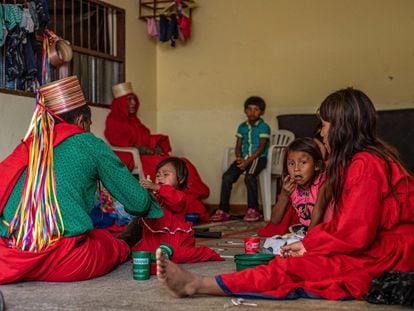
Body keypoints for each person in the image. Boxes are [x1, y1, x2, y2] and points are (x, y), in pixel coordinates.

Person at [155, 87, 414, 301]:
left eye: (324, 125)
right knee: (299, 259)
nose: (321, 133)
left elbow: (355, 235)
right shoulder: (368, 159)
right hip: (387, 247)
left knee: (294, 268)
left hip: (391, 255)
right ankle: (202, 283)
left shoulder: (365, 164)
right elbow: (347, 226)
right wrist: (309, 243)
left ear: (340, 127)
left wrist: (309, 245)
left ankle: (197, 284)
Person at [0, 76, 162, 284]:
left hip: (9, 257)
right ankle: (123, 246)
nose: (89, 130)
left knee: (96, 233)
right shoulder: (88, 143)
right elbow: (138, 202)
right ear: (80, 121)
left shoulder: (30, 145)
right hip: (64, 262)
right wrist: (150, 200)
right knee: (110, 244)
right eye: (89, 124)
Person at [104, 82, 210, 221]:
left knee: (182, 162)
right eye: (128, 100)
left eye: (134, 99)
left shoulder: (135, 120)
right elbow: (121, 142)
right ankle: (182, 199)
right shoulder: (114, 120)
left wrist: (156, 146)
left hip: (145, 155)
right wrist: (147, 150)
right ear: (120, 103)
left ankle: (189, 196)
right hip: (135, 157)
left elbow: (146, 138)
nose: (133, 103)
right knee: (165, 164)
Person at [134, 157, 223, 263]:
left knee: (178, 256)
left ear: (180, 179)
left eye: (166, 174)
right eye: (158, 175)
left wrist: (158, 188)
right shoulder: (156, 195)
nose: (160, 177)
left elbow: (175, 201)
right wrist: (145, 193)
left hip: (175, 239)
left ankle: (205, 252)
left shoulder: (180, 195)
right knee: (141, 253)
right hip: (155, 237)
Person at [258, 137, 333, 239]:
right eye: (291, 164)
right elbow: (275, 220)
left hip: (327, 230)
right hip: (306, 230)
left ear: (317, 165)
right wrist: (284, 195)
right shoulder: (291, 187)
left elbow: (318, 212)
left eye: (303, 162)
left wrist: (307, 242)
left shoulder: (323, 183)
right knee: (274, 244)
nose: (296, 169)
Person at [211, 96, 271, 222]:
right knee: (227, 177)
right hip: (244, 159)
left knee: (250, 177)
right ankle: (223, 210)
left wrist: (247, 161)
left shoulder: (263, 127)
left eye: (256, 109)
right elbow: (238, 145)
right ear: (245, 111)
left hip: (258, 159)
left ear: (262, 112)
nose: (252, 112)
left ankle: (253, 210)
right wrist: (238, 157)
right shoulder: (242, 127)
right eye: (249, 109)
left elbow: (261, 148)